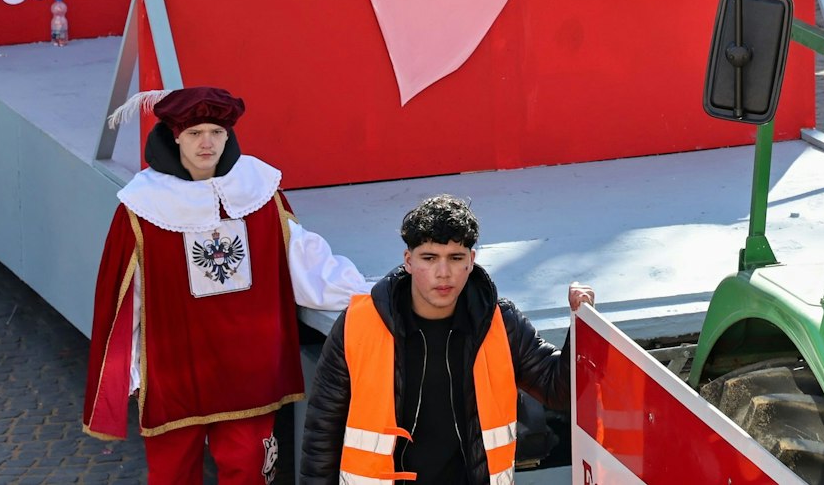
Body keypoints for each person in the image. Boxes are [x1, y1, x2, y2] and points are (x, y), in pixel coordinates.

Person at [83, 85, 368, 482]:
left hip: (247, 369)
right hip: (175, 370)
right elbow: (126, 299)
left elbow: (306, 263)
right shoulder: (144, 207)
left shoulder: (258, 192)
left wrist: (368, 293)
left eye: (216, 132)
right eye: (196, 132)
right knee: (172, 475)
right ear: (175, 135)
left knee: (249, 472)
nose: (207, 143)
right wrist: (131, 370)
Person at [300, 194, 592, 485]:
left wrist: (581, 324)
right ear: (409, 261)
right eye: (429, 258)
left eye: (455, 258)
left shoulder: (501, 322)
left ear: (471, 261)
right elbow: (322, 433)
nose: (443, 273)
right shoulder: (358, 323)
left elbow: (558, 390)